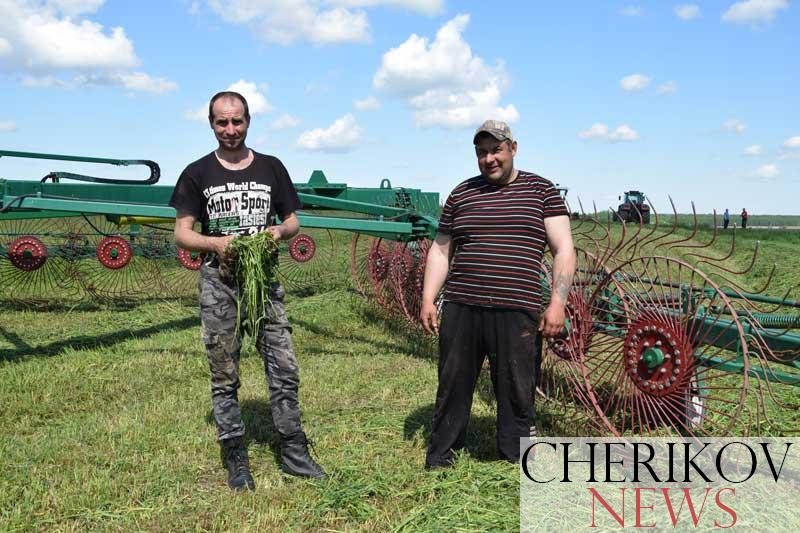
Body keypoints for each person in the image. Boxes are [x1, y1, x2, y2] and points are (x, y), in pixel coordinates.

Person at [170, 91, 325, 491]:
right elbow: (182, 233)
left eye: (237, 121)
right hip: (219, 283)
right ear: (211, 124)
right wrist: (216, 244)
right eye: (222, 122)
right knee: (224, 371)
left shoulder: (272, 168)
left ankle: (293, 449)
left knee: (284, 365)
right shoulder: (196, 173)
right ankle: (236, 457)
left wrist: (277, 230)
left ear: (249, 121)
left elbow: (292, 221)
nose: (230, 130)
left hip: (265, 283)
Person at [419, 120, 577, 468]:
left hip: (516, 308)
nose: (489, 158)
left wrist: (558, 301)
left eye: (495, 150)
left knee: (517, 387)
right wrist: (429, 297)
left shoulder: (542, 191)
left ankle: (513, 456)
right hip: (462, 306)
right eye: (481, 152)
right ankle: (442, 455)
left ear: (513, 148)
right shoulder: (462, 193)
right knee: (453, 384)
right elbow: (441, 250)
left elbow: (564, 248)